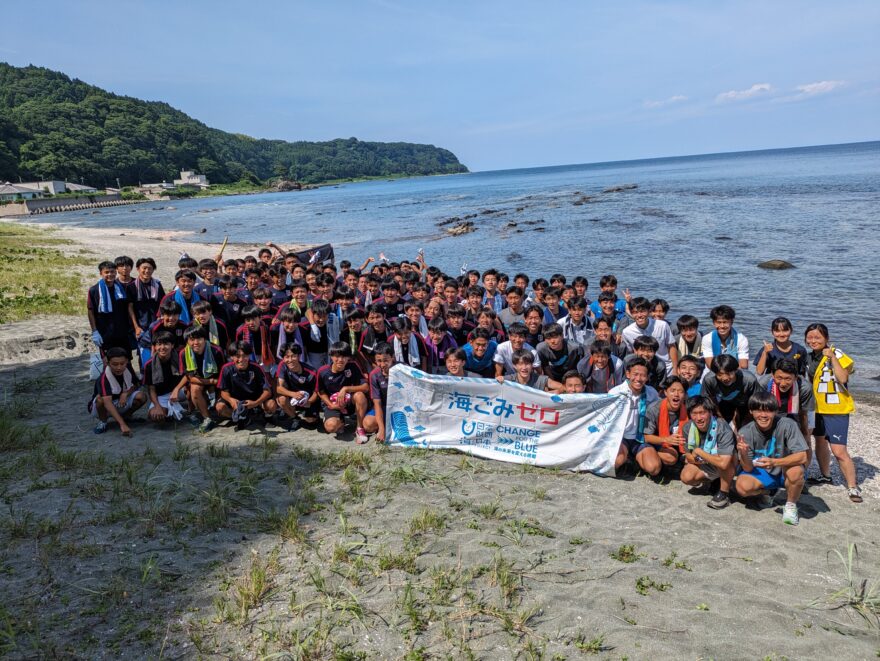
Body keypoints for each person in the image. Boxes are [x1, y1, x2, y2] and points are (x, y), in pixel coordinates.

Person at [803, 323, 860, 502]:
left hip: (835, 409)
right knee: (819, 441)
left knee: (839, 450)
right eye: (810, 337)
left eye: (817, 337)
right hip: (815, 407)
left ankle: (853, 487)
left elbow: (843, 378)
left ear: (826, 339)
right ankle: (825, 475)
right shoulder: (808, 357)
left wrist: (832, 357)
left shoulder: (837, 353)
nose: (813, 341)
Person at [735, 391, 809, 525]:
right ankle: (768, 492)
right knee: (742, 487)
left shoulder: (787, 425)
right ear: (751, 411)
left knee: (796, 472)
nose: (763, 415)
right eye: (758, 410)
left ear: (776, 411)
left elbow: (802, 456)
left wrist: (775, 462)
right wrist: (744, 453)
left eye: (768, 411)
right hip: (763, 472)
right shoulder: (745, 432)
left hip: (784, 469)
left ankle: (790, 506)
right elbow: (748, 467)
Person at [678, 396, 736, 509]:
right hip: (707, 462)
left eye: (702, 413)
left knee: (725, 463)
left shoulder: (722, 427)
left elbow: (724, 463)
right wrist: (701, 458)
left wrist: (699, 452)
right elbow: (689, 456)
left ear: (710, 412)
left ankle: (724, 494)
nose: (698, 418)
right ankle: (715, 480)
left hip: (728, 463)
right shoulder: (687, 427)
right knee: (687, 477)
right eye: (694, 413)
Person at [610, 357, 661, 476]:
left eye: (643, 375)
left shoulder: (652, 393)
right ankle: (626, 459)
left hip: (641, 438)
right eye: (635, 374)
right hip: (621, 437)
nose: (638, 379)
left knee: (654, 468)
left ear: (647, 377)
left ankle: (635, 461)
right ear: (628, 374)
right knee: (615, 462)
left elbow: (660, 410)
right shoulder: (616, 393)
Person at [316, 341, 370, 443]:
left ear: (349, 357)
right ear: (331, 356)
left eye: (344, 356)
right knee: (331, 427)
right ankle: (340, 422)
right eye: (337, 356)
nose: (340, 360)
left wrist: (346, 388)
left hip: (349, 402)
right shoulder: (323, 371)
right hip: (334, 404)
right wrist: (330, 405)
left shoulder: (353, 366)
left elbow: (366, 387)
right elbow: (320, 391)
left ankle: (359, 428)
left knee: (360, 395)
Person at [216, 341, 277, 429]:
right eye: (237, 356)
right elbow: (223, 392)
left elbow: (267, 391)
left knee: (271, 404)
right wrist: (231, 400)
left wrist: (256, 403)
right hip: (236, 399)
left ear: (249, 356)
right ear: (232, 357)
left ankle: (267, 417)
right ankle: (243, 418)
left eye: (244, 355)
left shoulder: (256, 367)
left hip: (254, 398)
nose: (241, 359)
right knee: (220, 407)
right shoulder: (226, 369)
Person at [89, 346, 146, 436]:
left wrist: (125, 393)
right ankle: (103, 422)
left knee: (142, 396)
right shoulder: (104, 378)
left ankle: (126, 416)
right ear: (108, 363)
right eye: (115, 364)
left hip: (120, 401)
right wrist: (122, 425)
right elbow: (107, 402)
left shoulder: (128, 370)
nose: (119, 367)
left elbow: (136, 385)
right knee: (100, 400)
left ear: (127, 361)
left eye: (122, 363)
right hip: (102, 407)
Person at [177, 325, 224, 432]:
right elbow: (190, 378)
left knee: (221, 408)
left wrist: (215, 384)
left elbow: (224, 374)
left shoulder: (216, 351)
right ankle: (207, 418)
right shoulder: (183, 353)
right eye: (192, 339)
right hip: (201, 381)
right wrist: (210, 381)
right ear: (187, 341)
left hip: (217, 381)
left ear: (205, 338)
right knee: (194, 389)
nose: (196, 342)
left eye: (199, 338)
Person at [757, 358, 814, 442]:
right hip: (772, 410)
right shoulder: (763, 384)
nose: (783, 384)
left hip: (798, 411)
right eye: (779, 378)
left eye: (788, 379)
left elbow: (804, 414)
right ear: (772, 375)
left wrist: (805, 434)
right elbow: (759, 409)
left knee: (805, 439)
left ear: (795, 377)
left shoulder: (805, 388)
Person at [642, 376, 690, 470]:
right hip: (658, 442)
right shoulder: (654, 409)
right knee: (670, 458)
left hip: (680, 444)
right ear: (665, 392)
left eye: (680, 391)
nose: (676, 394)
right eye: (672, 390)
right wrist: (666, 440)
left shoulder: (689, 409)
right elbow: (646, 437)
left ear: (685, 394)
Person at [700, 354, 759, 428]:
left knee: (745, 426)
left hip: (745, 403)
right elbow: (706, 399)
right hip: (723, 402)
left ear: (736, 370)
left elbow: (758, 400)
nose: (725, 378)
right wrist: (718, 415)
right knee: (721, 425)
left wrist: (749, 417)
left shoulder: (749, 379)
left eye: (729, 373)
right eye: (720, 374)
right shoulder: (709, 379)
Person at [621, 297, 677, 376]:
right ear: (631, 313)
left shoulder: (662, 325)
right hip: (642, 368)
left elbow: (672, 347)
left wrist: (675, 369)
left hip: (666, 367)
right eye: (635, 312)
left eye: (642, 311)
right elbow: (632, 352)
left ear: (649, 311)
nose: (639, 315)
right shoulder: (627, 332)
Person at [88, 261, 131, 355]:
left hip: (122, 332)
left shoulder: (122, 288)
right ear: (101, 273)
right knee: (107, 361)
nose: (110, 274)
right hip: (105, 332)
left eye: (112, 272)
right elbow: (91, 311)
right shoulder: (94, 290)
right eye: (106, 272)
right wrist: (94, 331)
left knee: (125, 360)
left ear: (116, 272)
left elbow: (128, 307)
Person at [143, 332, 186, 424]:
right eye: (159, 344)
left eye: (166, 344)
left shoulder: (180, 357)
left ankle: (190, 409)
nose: (162, 347)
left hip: (179, 391)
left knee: (193, 385)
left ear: (172, 345)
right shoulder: (149, 365)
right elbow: (151, 389)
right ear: (154, 346)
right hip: (162, 395)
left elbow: (188, 375)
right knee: (156, 416)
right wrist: (157, 406)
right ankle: (169, 411)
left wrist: (177, 389)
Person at [275, 342, 319, 431]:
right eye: (287, 357)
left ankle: (308, 413)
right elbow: (278, 388)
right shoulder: (282, 365)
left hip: (307, 399)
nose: (290, 360)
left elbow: (317, 392)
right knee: (282, 400)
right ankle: (295, 418)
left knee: (311, 423)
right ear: (283, 358)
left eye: (293, 356)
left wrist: (309, 402)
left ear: (299, 356)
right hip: (293, 397)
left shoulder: (311, 372)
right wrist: (293, 394)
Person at [127, 257, 165, 342]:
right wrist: (136, 327)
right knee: (143, 351)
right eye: (144, 268)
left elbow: (163, 303)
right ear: (138, 269)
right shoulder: (131, 286)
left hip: (157, 322)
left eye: (150, 268)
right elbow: (130, 308)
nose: (147, 271)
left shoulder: (157, 285)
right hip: (140, 325)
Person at [701, 305, 749, 370]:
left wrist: (729, 375)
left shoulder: (741, 339)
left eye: (725, 322)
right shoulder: (707, 339)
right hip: (713, 371)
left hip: (734, 372)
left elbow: (743, 365)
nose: (722, 326)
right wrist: (722, 375)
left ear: (732, 322)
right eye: (719, 322)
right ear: (714, 323)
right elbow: (710, 364)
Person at [363, 343, 395, 442]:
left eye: (386, 360)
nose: (382, 364)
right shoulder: (374, 375)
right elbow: (377, 404)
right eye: (379, 361)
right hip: (383, 407)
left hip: (401, 407)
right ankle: (385, 425)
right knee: (368, 425)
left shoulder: (403, 368)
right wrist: (381, 429)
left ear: (392, 358)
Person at [236, 305, 276, 370]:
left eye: (254, 319)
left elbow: (270, 345)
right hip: (248, 357)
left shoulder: (265, 328)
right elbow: (239, 349)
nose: (251, 323)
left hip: (264, 355)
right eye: (248, 320)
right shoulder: (240, 331)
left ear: (260, 318)